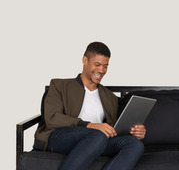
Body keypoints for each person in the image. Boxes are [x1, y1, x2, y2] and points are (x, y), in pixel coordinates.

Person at [33, 42, 146, 170]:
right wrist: (89, 125)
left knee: (134, 144)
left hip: (99, 141)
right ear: (85, 60)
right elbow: (52, 118)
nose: (101, 70)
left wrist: (136, 131)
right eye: (97, 64)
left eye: (105, 66)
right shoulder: (59, 85)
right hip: (60, 137)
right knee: (97, 135)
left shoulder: (109, 97)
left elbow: (115, 127)